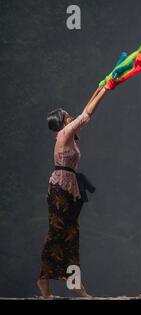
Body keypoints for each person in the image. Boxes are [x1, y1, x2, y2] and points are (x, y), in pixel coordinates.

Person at [37, 85, 109, 298]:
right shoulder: (65, 133)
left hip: (69, 189)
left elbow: (84, 110)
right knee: (57, 233)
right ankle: (44, 282)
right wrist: (107, 89)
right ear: (62, 121)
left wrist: (98, 88)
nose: (71, 117)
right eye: (67, 116)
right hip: (60, 189)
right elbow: (87, 114)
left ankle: (75, 283)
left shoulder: (66, 133)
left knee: (72, 234)